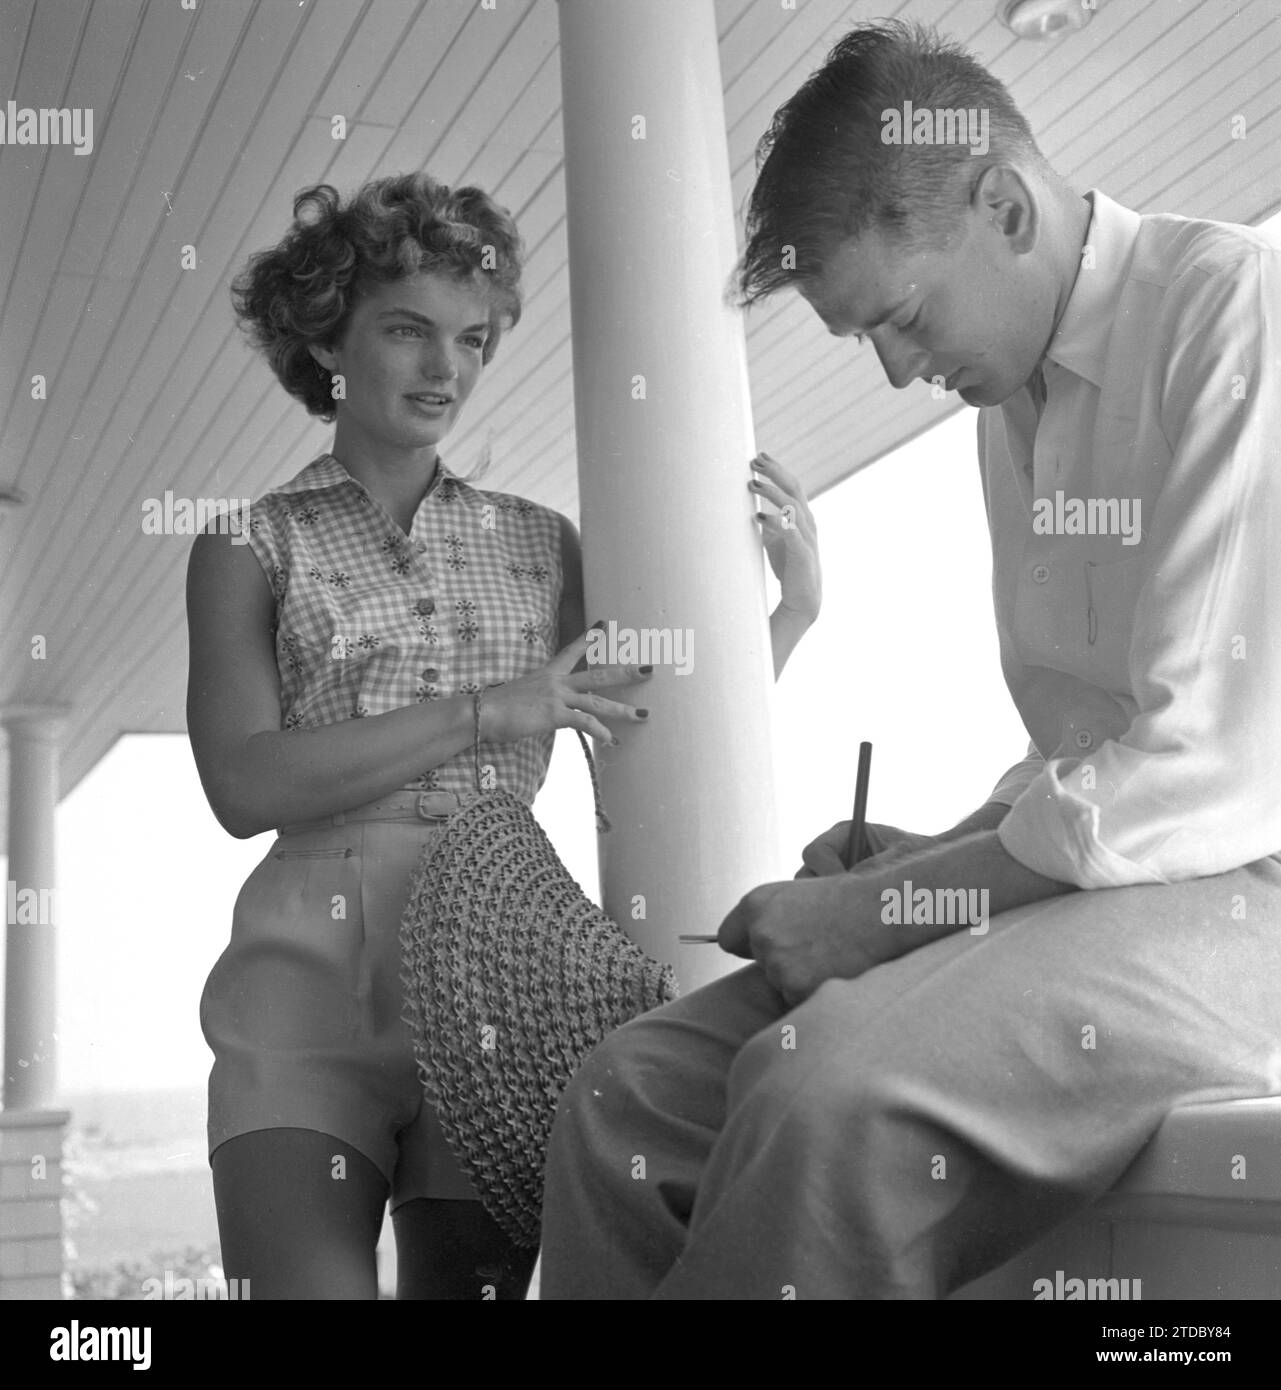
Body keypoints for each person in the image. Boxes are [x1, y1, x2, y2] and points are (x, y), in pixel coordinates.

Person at [538, 19, 1281, 1300]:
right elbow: (1084, 761)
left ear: (1002, 202)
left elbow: (1197, 772)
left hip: (1247, 895)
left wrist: (879, 913)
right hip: (1124, 889)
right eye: (861, 340)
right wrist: (930, 861)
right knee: (622, 1096)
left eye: (902, 316)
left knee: (827, 1094)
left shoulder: (1232, 313)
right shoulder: (1013, 409)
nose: (893, 371)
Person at [185, 172, 820, 1300]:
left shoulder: (542, 543)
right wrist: (490, 711)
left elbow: (656, 734)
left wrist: (791, 613)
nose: (447, 369)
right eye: (408, 330)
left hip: (504, 966)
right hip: (307, 977)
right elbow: (242, 782)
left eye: (473, 338)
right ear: (327, 335)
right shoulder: (247, 545)